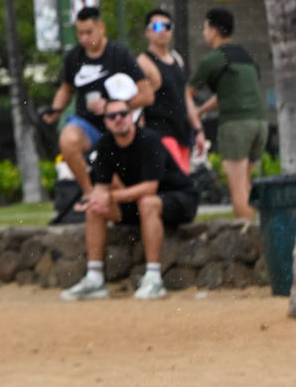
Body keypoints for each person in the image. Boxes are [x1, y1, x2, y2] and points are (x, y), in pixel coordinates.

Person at [61, 75, 199, 302]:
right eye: (112, 116)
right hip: (139, 205)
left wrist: (111, 196)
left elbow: (151, 187)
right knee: (95, 209)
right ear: (105, 122)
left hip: (178, 199)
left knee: (147, 202)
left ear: (131, 116)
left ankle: (154, 278)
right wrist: (94, 200)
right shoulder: (105, 144)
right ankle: (94, 278)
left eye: (123, 114)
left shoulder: (150, 140)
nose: (119, 119)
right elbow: (102, 186)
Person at [42, 0, 155, 196]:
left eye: (89, 32)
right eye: (80, 33)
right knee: (67, 140)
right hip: (87, 124)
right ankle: (89, 193)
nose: (84, 38)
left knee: (117, 181)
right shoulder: (73, 57)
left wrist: (112, 107)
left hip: (118, 126)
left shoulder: (119, 54)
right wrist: (56, 110)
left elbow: (147, 95)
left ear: (101, 28)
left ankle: (123, 207)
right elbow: (66, 89)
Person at [192, 7, 267, 220]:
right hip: (259, 123)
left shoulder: (212, 59)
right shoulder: (245, 56)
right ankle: (261, 234)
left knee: (238, 190)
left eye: (205, 28)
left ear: (214, 30)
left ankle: (251, 241)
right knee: (246, 184)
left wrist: (191, 114)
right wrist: (201, 111)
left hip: (236, 124)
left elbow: (188, 91)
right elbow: (228, 93)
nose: (203, 33)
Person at [136, 8, 206, 175]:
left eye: (168, 26)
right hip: (159, 132)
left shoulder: (176, 59)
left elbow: (185, 97)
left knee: (182, 184)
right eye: (158, 27)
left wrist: (198, 130)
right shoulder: (143, 62)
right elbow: (137, 104)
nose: (164, 31)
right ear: (148, 31)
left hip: (181, 132)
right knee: (174, 181)